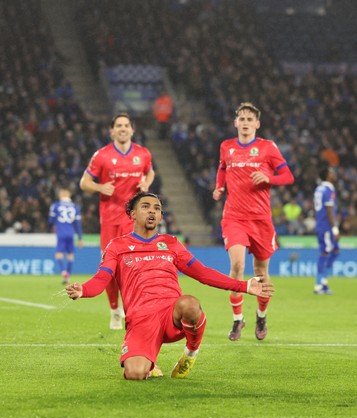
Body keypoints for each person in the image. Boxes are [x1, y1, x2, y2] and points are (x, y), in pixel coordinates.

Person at [65, 192, 274, 381]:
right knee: (134, 374)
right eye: (146, 206)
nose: (152, 211)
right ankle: (149, 363)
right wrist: (84, 290)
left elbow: (202, 273)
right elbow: (102, 278)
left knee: (190, 304)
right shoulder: (117, 246)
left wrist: (244, 285)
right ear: (132, 214)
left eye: (157, 209)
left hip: (171, 314)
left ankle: (190, 354)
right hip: (141, 320)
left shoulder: (171, 244)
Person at [213, 102, 294, 342]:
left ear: (257, 124)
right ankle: (238, 320)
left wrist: (269, 177)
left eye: (250, 119)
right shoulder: (226, 147)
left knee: (260, 272)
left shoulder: (268, 148)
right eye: (242, 118)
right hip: (234, 217)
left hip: (260, 219)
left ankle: (261, 315)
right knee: (237, 267)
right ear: (236, 122)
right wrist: (219, 187)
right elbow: (222, 169)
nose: (246, 122)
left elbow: (288, 176)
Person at [80, 113, 155, 330]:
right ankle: (115, 310)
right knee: (110, 267)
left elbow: (150, 173)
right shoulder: (102, 155)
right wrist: (99, 187)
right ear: (112, 131)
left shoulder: (143, 154)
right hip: (110, 220)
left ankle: (132, 310)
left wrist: (146, 184)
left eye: (126, 126)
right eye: (118, 126)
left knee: (134, 268)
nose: (122, 129)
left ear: (132, 130)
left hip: (134, 220)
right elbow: (84, 182)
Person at [313, 164, 340, 294]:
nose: (334, 174)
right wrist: (335, 229)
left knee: (335, 250)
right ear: (327, 176)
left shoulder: (319, 189)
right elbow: (329, 210)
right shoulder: (328, 189)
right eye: (331, 172)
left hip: (322, 224)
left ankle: (323, 281)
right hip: (326, 226)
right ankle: (319, 285)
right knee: (325, 252)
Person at [48, 187, 83, 284]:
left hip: (61, 233)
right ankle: (67, 277)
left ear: (60, 195)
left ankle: (63, 271)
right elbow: (78, 224)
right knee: (70, 255)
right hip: (71, 233)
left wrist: (51, 227)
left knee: (58, 254)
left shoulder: (56, 205)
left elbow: (50, 220)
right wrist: (80, 238)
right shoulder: (75, 207)